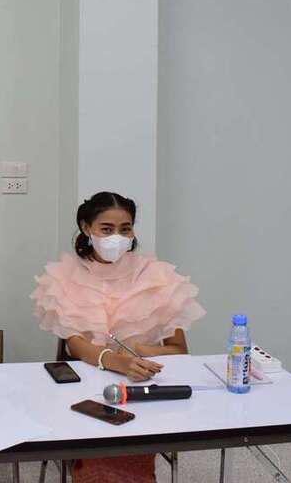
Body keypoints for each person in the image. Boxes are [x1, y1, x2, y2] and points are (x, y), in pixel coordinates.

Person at [31, 191, 206, 483]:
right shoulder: (65, 276)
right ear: (86, 228)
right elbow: (76, 346)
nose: (117, 237)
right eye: (106, 229)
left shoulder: (157, 277)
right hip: (86, 388)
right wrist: (116, 361)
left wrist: (139, 349)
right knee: (99, 457)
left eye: (125, 229)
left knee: (130, 453)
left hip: (142, 390)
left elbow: (178, 351)